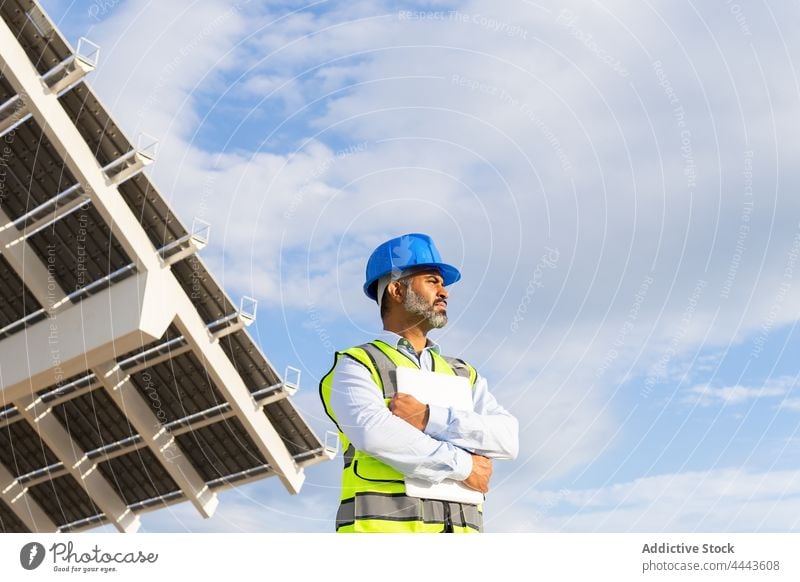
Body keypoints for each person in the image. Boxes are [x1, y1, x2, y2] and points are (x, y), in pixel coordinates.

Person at [319, 233, 518, 533]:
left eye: (443, 284)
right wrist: (465, 467)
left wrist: (429, 418)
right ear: (397, 289)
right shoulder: (357, 364)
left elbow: (507, 437)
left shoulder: (463, 373)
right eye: (432, 281)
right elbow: (375, 433)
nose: (445, 292)